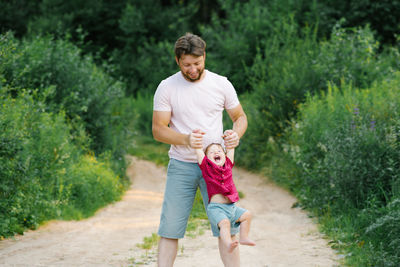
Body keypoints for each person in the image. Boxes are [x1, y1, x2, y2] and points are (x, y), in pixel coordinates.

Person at [152, 32, 248, 267]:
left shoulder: (221, 84)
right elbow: (158, 130)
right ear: (177, 61)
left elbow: (240, 117)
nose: (192, 69)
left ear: (204, 56)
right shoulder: (167, 87)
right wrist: (186, 139)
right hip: (181, 165)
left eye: (197, 63)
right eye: (186, 65)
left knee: (226, 228)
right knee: (170, 229)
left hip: (217, 169)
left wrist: (236, 134)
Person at [195, 140, 255, 253]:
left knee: (247, 215)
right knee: (225, 224)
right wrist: (197, 145)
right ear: (207, 158)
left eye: (219, 151)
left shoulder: (228, 164)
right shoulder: (206, 167)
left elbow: (231, 149)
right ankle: (228, 243)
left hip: (232, 207)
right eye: (212, 152)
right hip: (216, 208)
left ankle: (244, 237)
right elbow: (199, 152)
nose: (216, 153)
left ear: (224, 154)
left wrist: (229, 138)